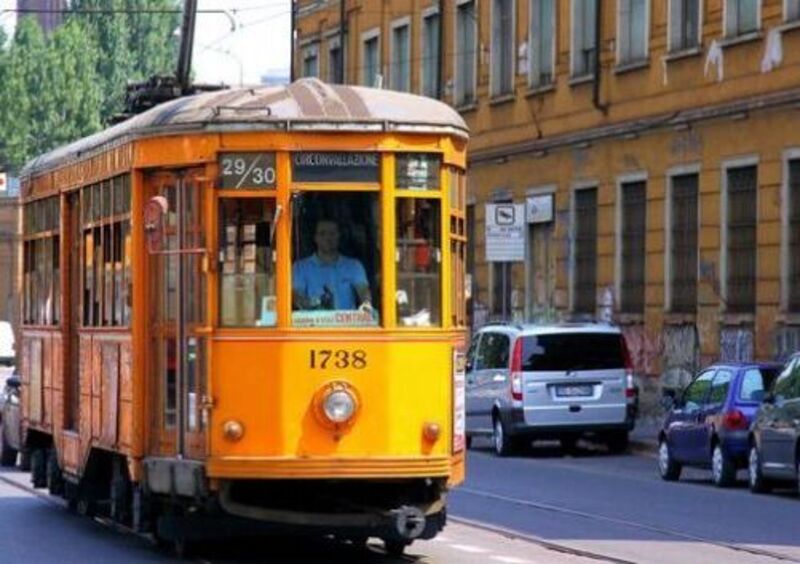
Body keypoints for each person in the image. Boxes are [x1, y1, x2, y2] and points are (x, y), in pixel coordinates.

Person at [292, 219, 373, 311]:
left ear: (339, 236)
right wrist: (318, 302)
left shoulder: (354, 266)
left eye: (332, 233)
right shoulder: (300, 267)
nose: (328, 238)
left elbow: (363, 291)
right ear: (315, 238)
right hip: (313, 323)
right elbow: (298, 298)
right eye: (322, 233)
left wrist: (366, 303)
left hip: (348, 324)